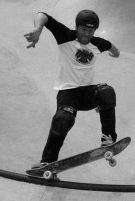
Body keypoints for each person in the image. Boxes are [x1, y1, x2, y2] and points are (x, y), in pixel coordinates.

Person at [24, 10, 121, 168]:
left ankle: (108, 140)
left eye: (90, 31)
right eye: (83, 30)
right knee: (62, 119)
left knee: (106, 92)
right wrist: (38, 30)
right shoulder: (65, 36)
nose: (86, 34)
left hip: (88, 94)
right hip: (68, 93)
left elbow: (112, 47)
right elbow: (43, 15)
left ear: (94, 31)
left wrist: (116, 53)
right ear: (77, 27)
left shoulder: (97, 43)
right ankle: (47, 161)